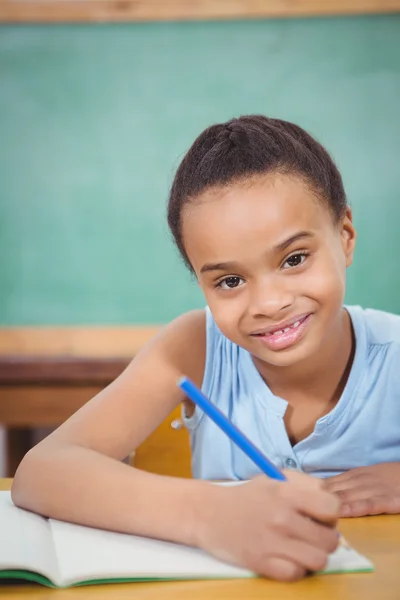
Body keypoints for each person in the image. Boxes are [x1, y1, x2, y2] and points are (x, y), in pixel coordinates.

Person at [11, 115, 400, 582]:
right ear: (199, 280)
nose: (269, 303)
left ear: (345, 236)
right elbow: (43, 471)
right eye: (230, 281)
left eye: (294, 259)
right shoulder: (195, 349)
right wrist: (211, 515)